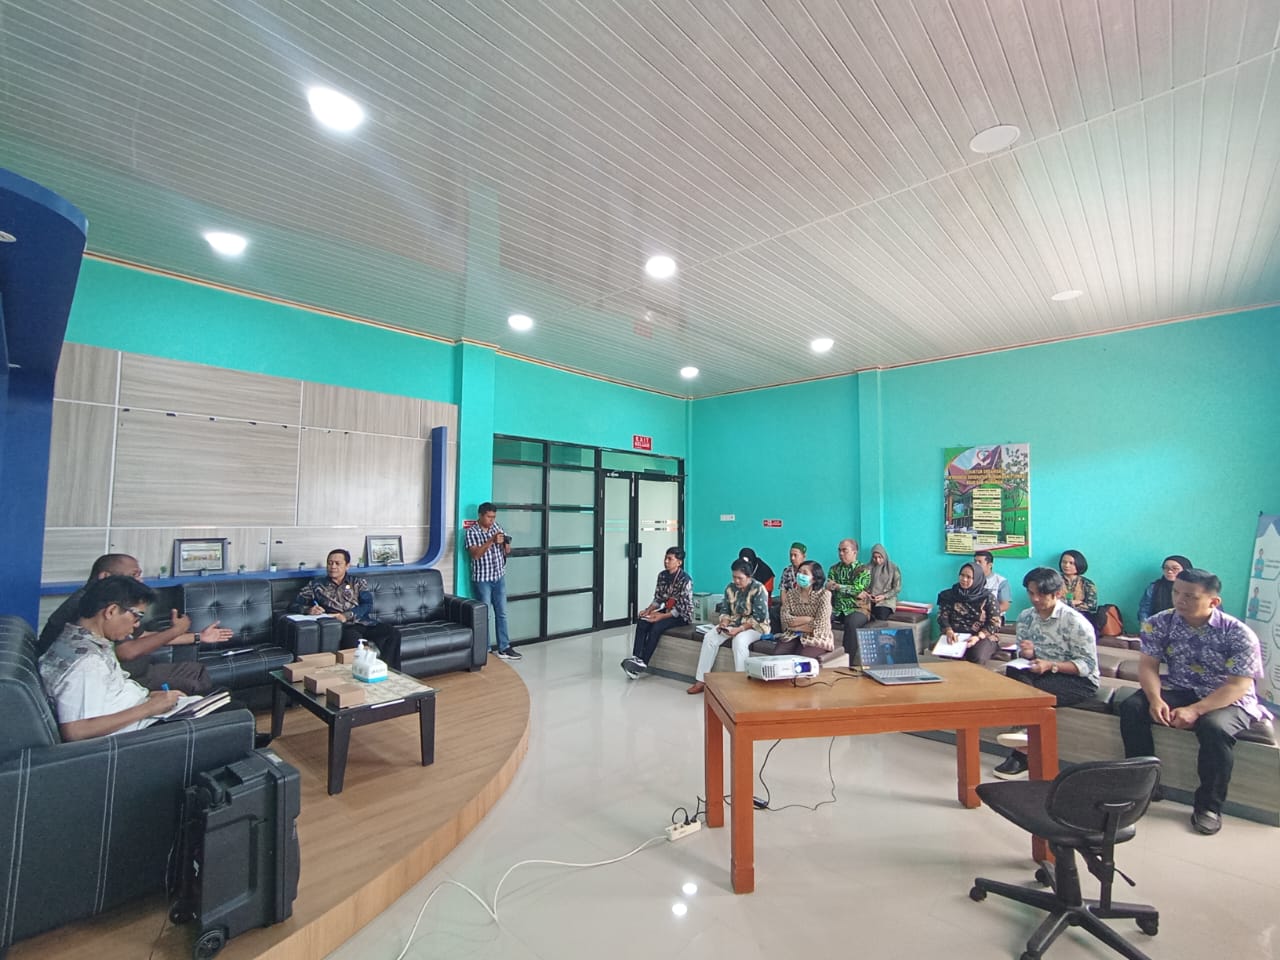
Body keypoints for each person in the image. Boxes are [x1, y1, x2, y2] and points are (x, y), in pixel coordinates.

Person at [1119, 568, 1271, 836]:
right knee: (1132, 707)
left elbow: (1238, 685)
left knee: (1214, 727)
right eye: (1177, 592)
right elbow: (1148, 667)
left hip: (1228, 696)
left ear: (1214, 601)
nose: (1180, 600)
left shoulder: (1238, 633)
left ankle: (1209, 807)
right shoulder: (1159, 622)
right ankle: (1144, 785)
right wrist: (1155, 699)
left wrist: (1195, 710)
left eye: (1190, 596)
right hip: (1181, 686)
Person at [38, 553, 230, 693]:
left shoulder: (112, 604)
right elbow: (126, 651)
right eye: (134, 575)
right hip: (120, 678)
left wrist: (198, 637)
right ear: (105, 577)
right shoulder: (89, 605)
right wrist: (173, 631)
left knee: (197, 671)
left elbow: (142, 636)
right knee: (196, 684)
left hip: (135, 671)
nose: (140, 580)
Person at [38, 575, 185, 740]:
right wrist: (149, 708)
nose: (137, 624)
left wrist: (152, 699)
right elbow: (76, 731)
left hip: (139, 713)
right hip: (136, 737)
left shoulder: (75, 639)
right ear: (111, 611)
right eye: (137, 616)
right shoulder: (88, 663)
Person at [993, 567, 1100, 780]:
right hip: (1039, 670)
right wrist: (1028, 653)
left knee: (1032, 693)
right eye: (1031, 593)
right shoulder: (1026, 617)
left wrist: (1051, 665)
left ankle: (1022, 750)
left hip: (1077, 679)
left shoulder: (1075, 622)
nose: (1035, 599)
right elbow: (1024, 654)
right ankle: (1024, 741)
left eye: (1041, 594)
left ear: (1057, 593)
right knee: (1013, 670)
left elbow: (1087, 665)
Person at [290, 548, 400, 666]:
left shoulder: (358, 582)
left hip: (363, 623)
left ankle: (389, 670)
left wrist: (346, 615)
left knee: (393, 633)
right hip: (341, 627)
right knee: (354, 641)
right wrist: (308, 609)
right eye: (330, 563)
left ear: (347, 566)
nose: (333, 566)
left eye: (337, 563)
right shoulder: (316, 585)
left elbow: (367, 604)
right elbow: (293, 605)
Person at [687, 559, 769, 695]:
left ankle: (743, 684)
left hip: (756, 627)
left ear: (749, 577)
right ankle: (701, 680)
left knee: (739, 641)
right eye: (734, 577)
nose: (736, 581)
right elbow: (725, 610)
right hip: (733, 624)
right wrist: (724, 623)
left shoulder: (759, 589)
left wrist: (740, 629)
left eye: (740, 578)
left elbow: (759, 617)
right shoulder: (730, 588)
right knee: (710, 637)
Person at [621, 546, 693, 678]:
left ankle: (643, 663)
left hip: (681, 615)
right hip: (667, 610)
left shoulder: (685, 580)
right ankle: (636, 657)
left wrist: (661, 616)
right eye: (665, 558)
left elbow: (682, 608)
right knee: (643, 621)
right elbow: (658, 598)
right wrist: (648, 610)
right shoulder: (662, 576)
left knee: (657, 626)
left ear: (679, 562)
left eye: (670, 559)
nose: (666, 561)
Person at [464, 503, 522, 661]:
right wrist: (491, 540)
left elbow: (507, 551)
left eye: (494, 517)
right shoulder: (472, 532)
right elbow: (475, 555)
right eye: (489, 517)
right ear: (481, 515)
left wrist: (505, 543)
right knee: (484, 615)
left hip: (499, 576)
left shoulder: (497, 527)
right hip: (483, 579)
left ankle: (504, 647)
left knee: (502, 613)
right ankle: (485, 649)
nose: (492, 520)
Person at [935, 562, 1001, 664]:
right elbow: (942, 616)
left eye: (969, 577)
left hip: (981, 636)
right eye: (962, 575)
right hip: (955, 634)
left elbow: (994, 623)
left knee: (976, 655)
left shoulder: (988, 597)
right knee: (947, 655)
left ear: (977, 579)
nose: (964, 579)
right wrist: (948, 630)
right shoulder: (950, 595)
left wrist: (978, 637)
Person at [775, 561, 834, 659]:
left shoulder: (824, 595)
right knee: (777, 656)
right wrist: (808, 619)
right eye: (799, 572)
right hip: (792, 635)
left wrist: (795, 627)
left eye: (805, 573)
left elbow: (820, 625)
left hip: (817, 636)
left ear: (814, 579)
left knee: (801, 659)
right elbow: (785, 618)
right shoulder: (791, 594)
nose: (800, 575)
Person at [827, 539, 871, 660]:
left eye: (844, 550)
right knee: (822, 617)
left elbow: (858, 589)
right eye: (839, 550)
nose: (841, 553)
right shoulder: (834, 569)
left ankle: (847, 660)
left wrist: (838, 586)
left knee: (852, 623)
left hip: (858, 608)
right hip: (837, 608)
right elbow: (829, 585)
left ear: (854, 552)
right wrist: (851, 590)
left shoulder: (863, 570)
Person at [1137, 554, 1193, 625]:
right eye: (1166, 568)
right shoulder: (1154, 587)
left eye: (1175, 568)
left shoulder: (1195, 588)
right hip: (1158, 627)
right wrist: (1146, 627)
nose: (1169, 571)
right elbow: (1144, 610)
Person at [863, 544, 901, 621]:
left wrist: (884, 596)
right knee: (861, 612)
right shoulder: (867, 568)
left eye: (880, 557)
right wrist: (868, 594)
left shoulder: (893, 568)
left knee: (881, 614)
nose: (877, 560)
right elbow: (862, 585)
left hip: (886, 600)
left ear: (884, 556)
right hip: (869, 599)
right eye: (875, 558)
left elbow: (897, 588)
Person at [972, 550, 1011, 621]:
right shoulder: (970, 579)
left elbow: (1005, 605)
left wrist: (986, 612)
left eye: (980, 562)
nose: (976, 564)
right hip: (973, 617)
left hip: (994, 617)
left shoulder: (1001, 581)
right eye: (975, 561)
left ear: (990, 565)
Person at [1058, 549, 1098, 617]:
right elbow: (1050, 602)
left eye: (1071, 563)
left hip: (1082, 618)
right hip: (1058, 616)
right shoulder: (1053, 581)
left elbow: (1091, 607)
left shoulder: (1087, 584)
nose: (1066, 565)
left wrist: (1063, 603)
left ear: (1079, 564)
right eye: (1064, 562)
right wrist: (1073, 602)